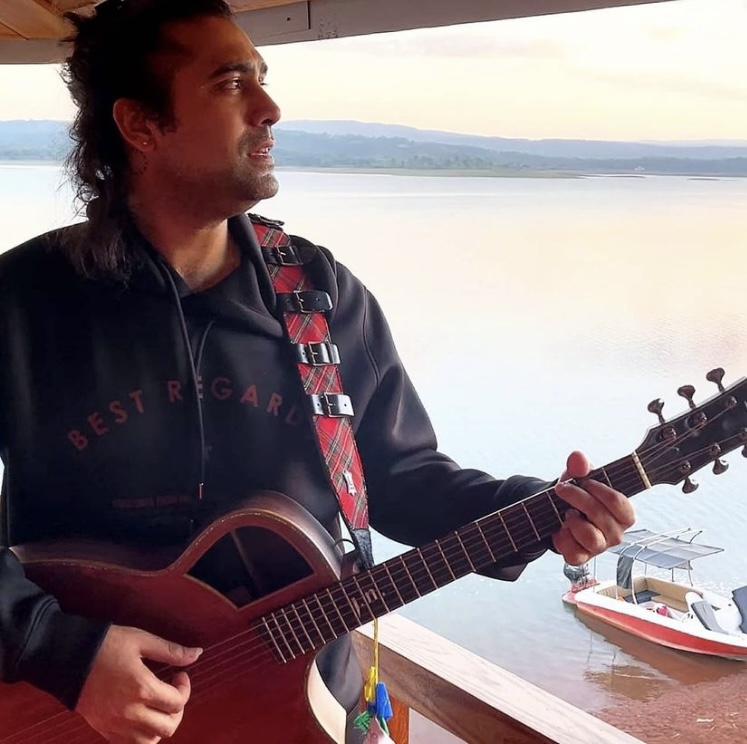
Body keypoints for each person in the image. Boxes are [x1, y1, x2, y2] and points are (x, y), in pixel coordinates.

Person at [0, 1, 635, 742]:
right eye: (230, 84)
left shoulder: (320, 297)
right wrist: (62, 650)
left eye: (261, 78)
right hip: (72, 713)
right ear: (141, 125)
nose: (268, 108)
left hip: (299, 708)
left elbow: (396, 477)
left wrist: (537, 512)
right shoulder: (23, 302)